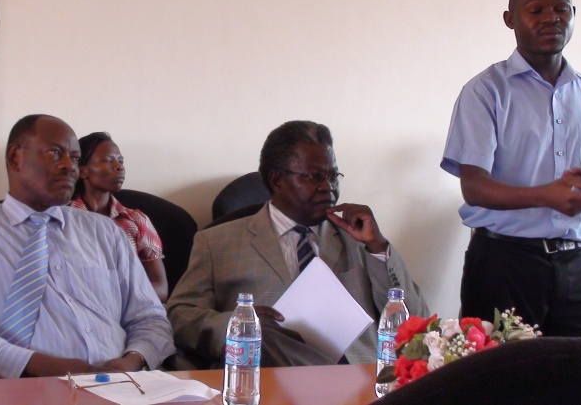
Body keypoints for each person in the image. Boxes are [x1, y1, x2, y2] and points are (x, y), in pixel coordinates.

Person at [441, 0, 581, 337]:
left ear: (573, 14)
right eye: (536, 9)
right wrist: (548, 195)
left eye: (561, 9)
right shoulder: (485, 92)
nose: (551, 17)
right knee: (505, 382)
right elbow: (475, 187)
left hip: (579, 261)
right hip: (504, 262)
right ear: (510, 19)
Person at [0, 114, 174, 379]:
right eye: (55, 152)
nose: (69, 166)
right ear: (15, 157)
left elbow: (151, 317)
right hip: (22, 387)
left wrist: (135, 359)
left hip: (124, 385)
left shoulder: (106, 232)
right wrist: (33, 364)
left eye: (75, 158)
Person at [167, 120, 428, 367]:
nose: (328, 187)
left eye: (333, 176)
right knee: (262, 332)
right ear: (277, 180)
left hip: (360, 375)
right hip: (264, 377)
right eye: (314, 177)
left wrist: (378, 249)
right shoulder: (217, 242)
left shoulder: (360, 239)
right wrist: (238, 324)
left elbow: (417, 320)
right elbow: (180, 316)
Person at [69, 132, 168, 302]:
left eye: (120, 161)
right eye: (108, 160)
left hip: (131, 312)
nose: (119, 166)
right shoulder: (63, 219)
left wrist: (120, 301)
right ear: (83, 171)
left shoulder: (136, 220)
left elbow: (160, 287)